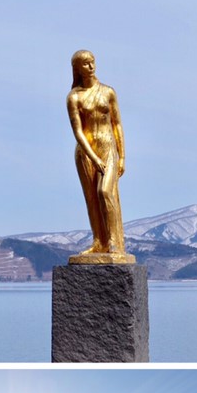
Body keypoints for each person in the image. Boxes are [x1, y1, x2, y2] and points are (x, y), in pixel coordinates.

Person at [66, 50, 132, 261]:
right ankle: (98, 242)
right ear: (77, 68)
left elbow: (117, 124)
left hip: (108, 147)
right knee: (92, 198)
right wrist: (93, 158)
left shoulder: (108, 92)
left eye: (92, 62)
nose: (91, 67)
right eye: (85, 64)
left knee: (105, 191)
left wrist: (122, 156)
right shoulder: (74, 97)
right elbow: (77, 131)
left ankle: (113, 241)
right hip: (86, 152)